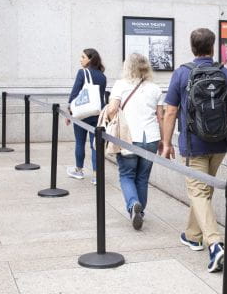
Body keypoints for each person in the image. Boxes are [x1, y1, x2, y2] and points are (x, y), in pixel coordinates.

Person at [160, 28, 227, 273]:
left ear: (192, 47)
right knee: (203, 190)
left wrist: (167, 143)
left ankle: (214, 244)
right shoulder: (225, 74)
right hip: (219, 144)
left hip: (193, 144)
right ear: (213, 46)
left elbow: (170, 111)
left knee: (198, 192)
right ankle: (192, 234)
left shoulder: (182, 74)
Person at [105, 52, 164, 230]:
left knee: (126, 175)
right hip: (151, 138)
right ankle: (141, 211)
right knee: (143, 177)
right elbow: (160, 117)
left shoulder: (121, 85)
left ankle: (133, 205)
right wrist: (163, 140)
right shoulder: (155, 88)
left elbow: (112, 110)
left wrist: (108, 112)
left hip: (128, 138)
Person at [67, 48, 107, 184]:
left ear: (90, 59)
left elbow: (75, 94)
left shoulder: (82, 73)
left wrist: (70, 111)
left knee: (80, 142)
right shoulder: (102, 76)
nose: (80, 59)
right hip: (97, 114)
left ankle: (79, 170)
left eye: (83, 57)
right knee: (95, 145)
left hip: (81, 113)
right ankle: (97, 175)